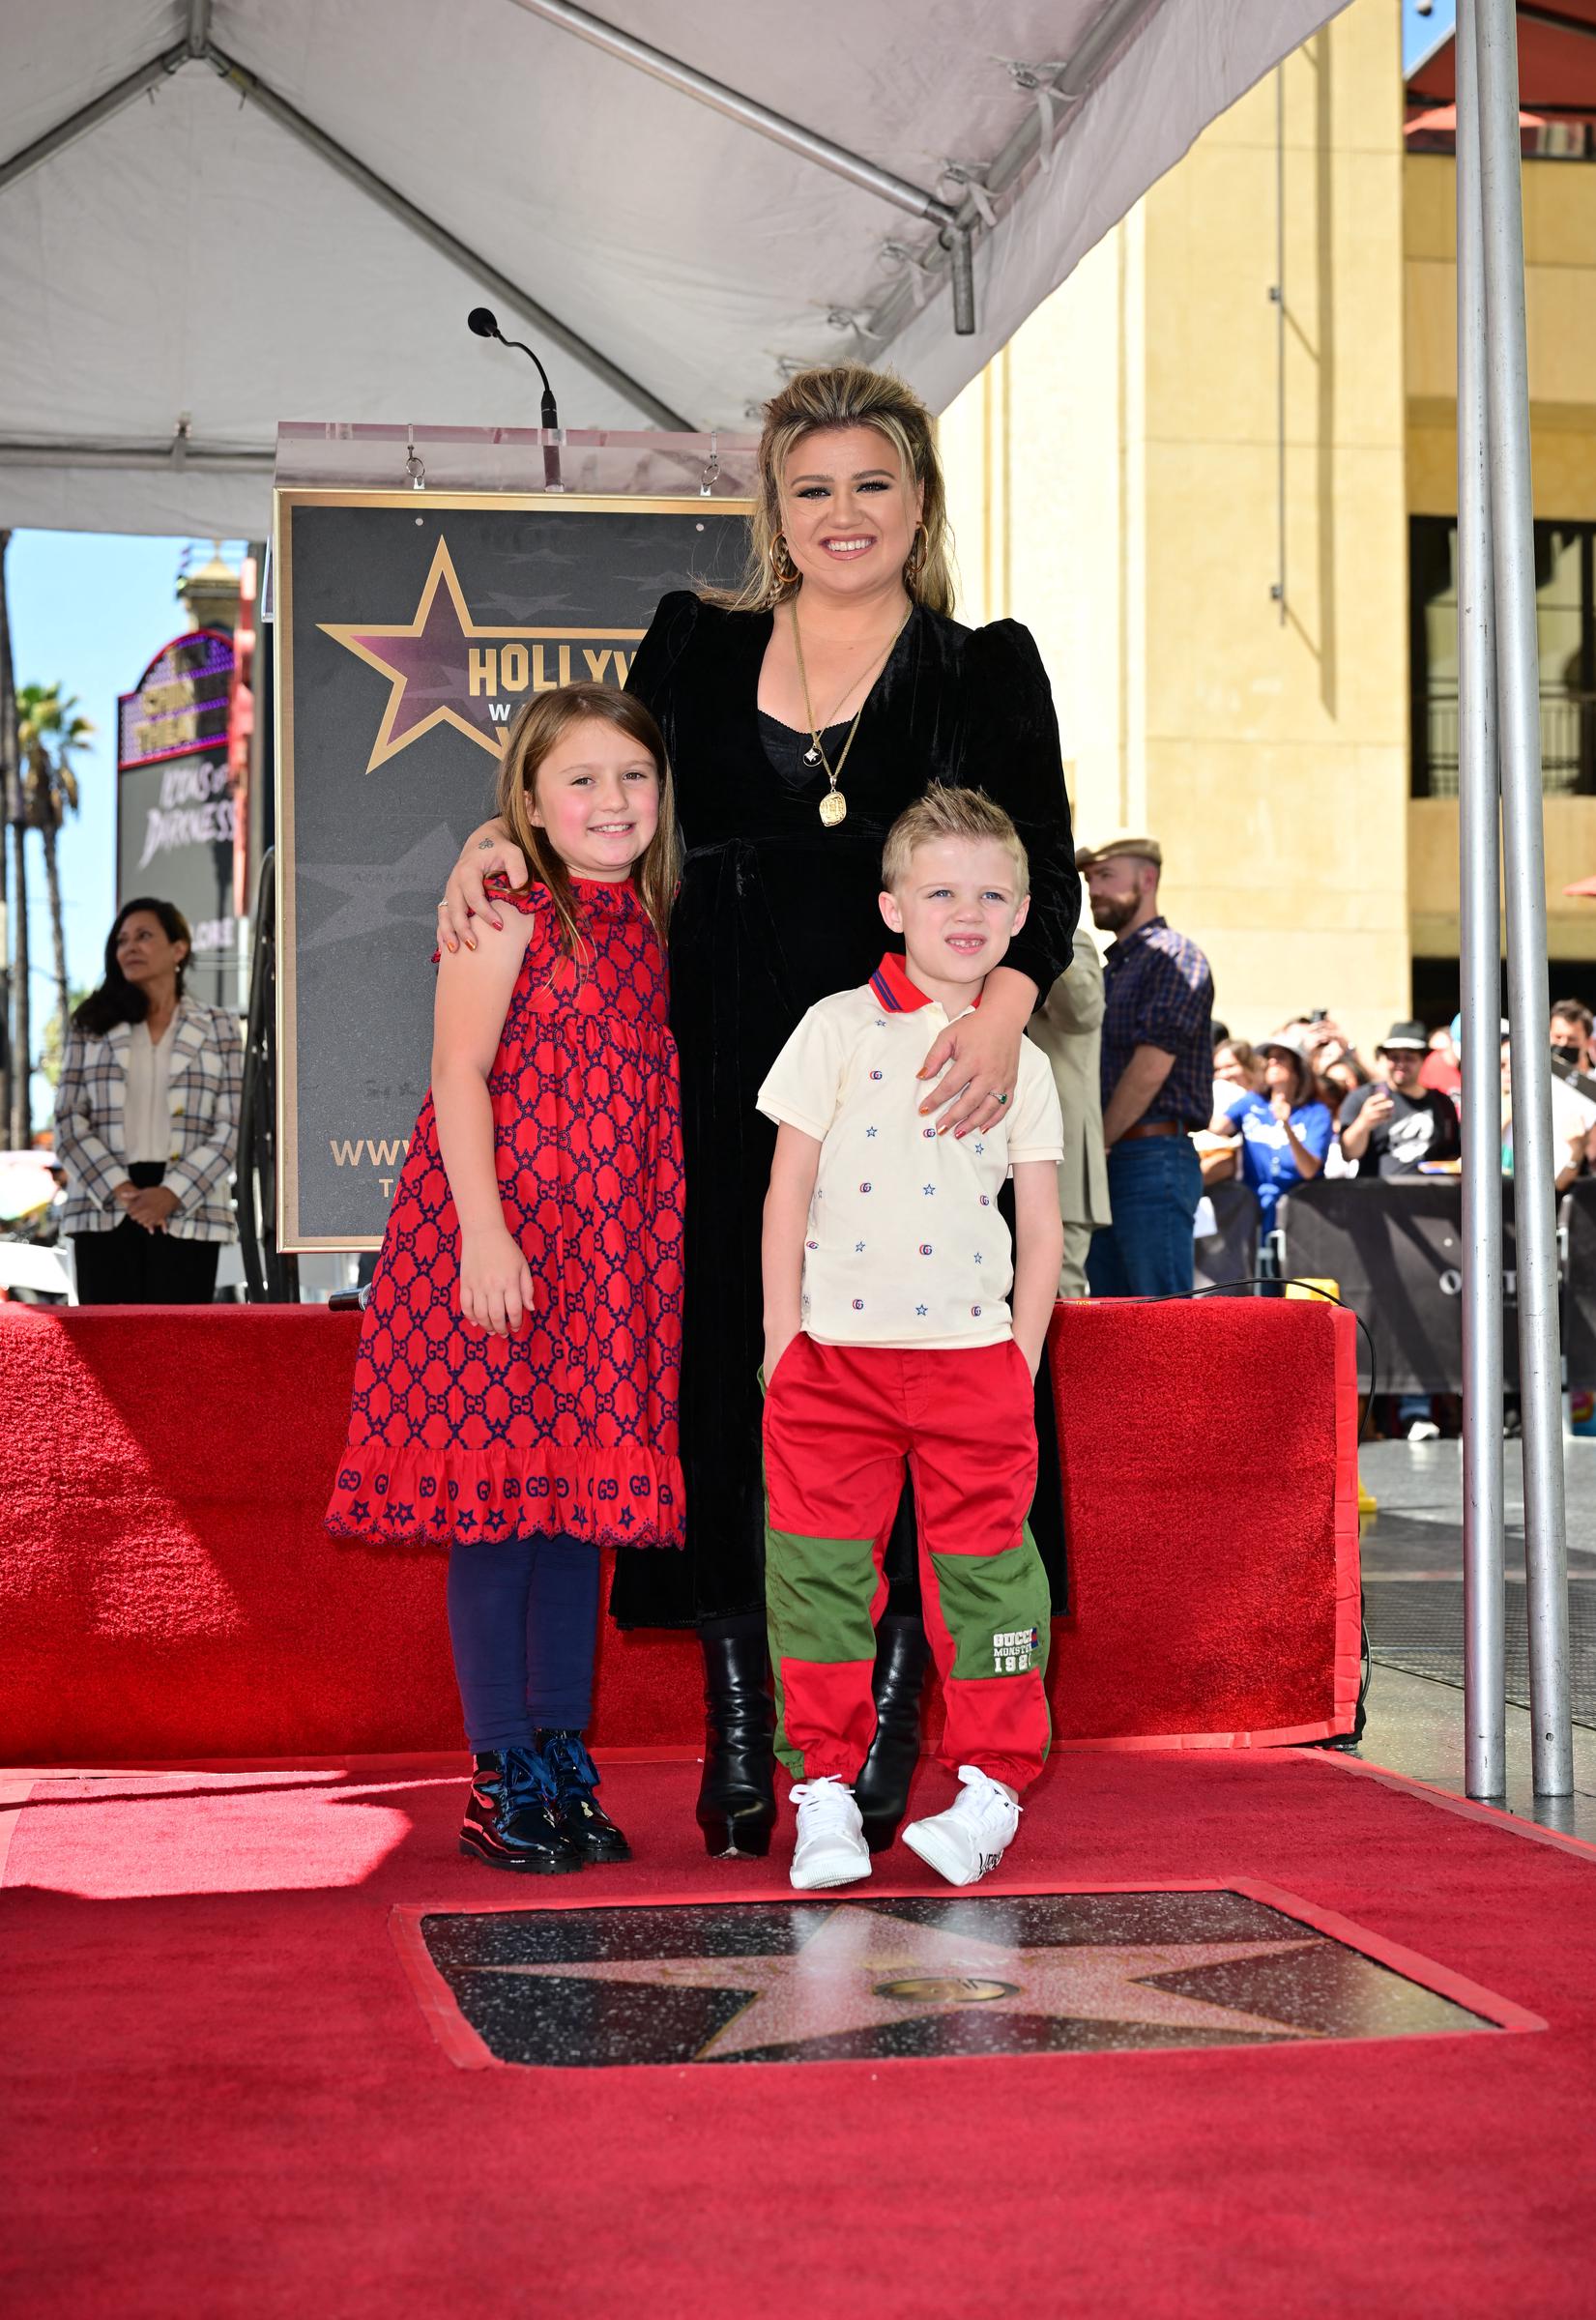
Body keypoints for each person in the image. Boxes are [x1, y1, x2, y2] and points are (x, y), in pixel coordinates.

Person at [439, 362, 1078, 1858]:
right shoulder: (692, 637)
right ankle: (756, 1738)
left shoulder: (985, 666)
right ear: (772, 513)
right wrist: (488, 828)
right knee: (732, 1394)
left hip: (923, 1086)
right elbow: (586, 781)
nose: (841, 513)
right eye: (811, 489)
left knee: (936, 1400)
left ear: (917, 503)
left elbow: (1032, 864)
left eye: (871, 484)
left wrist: (992, 1021)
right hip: (709, 1080)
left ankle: (893, 1745)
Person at [328, 684, 684, 1875]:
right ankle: (498, 1771)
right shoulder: (508, 905)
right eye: (580, 779)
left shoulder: (647, 914)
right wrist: (485, 1234)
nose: (612, 800)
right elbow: (459, 1068)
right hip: (493, 1244)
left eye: (632, 776)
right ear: (527, 800)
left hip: (605, 1263)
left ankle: (556, 1759)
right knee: (496, 1513)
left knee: (574, 1521)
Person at [757, 787, 1063, 1892]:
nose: (966, 912)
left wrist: (1018, 1357)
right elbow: (785, 1189)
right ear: (892, 907)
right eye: (940, 891)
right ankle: (825, 1798)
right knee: (820, 1578)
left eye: (991, 893)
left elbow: (1039, 1222)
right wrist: (781, 1340)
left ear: (1024, 912)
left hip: (974, 1367)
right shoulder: (835, 1027)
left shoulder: (1020, 1061)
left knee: (989, 1580)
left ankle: (990, 1791)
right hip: (829, 1366)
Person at [54, 897, 241, 1303]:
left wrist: (170, 1193)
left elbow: (234, 1126)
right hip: (104, 1204)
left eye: (143, 936)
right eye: (121, 940)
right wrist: (123, 1191)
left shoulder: (219, 1025)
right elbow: (68, 1121)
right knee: (106, 1356)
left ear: (179, 948)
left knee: (178, 1355)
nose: (129, 948)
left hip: (189, 1207)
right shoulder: (90, 1023)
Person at [1077, 833, 1213, 1296]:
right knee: (1109, 1321)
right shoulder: (1111, 968)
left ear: (1148, 879)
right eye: (1091, 879)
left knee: (1161, 1320)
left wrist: (1099, 1142)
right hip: (1121, 1156)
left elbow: (1152, 1066)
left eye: (1107, 876)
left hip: (1151, 1156)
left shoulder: (1176, 956)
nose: (1094, 889)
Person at [1030, 891, 1110, 1298]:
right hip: (999, 1143)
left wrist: (1043, 928)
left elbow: (1084, 1012)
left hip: (1060, 1149)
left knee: (1060, 1293)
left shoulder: (1070, 939)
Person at [1208, 1031, 1333, 1244]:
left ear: (1298, 1068)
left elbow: (1309, 1169)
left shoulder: (1316, 1112)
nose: (1272, 1062)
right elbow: (1216, 1127)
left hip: (1300, 1210)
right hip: (1252, 1206)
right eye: (1269, 1057)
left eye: (1281, 1057)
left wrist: (1286, 1125)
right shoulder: (1251, 1102)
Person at [1338, 1021, 1462, 1177]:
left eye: (1409, 1058)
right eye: (1394, 1057)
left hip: (1429, 1197)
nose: (1401, 1064)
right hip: (1376, 1197)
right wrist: (1363, 1123)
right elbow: (1349, 1154)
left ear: (1423, 1059)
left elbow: (1450, 1154)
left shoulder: (1442, 1103)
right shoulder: (1364, 1098)